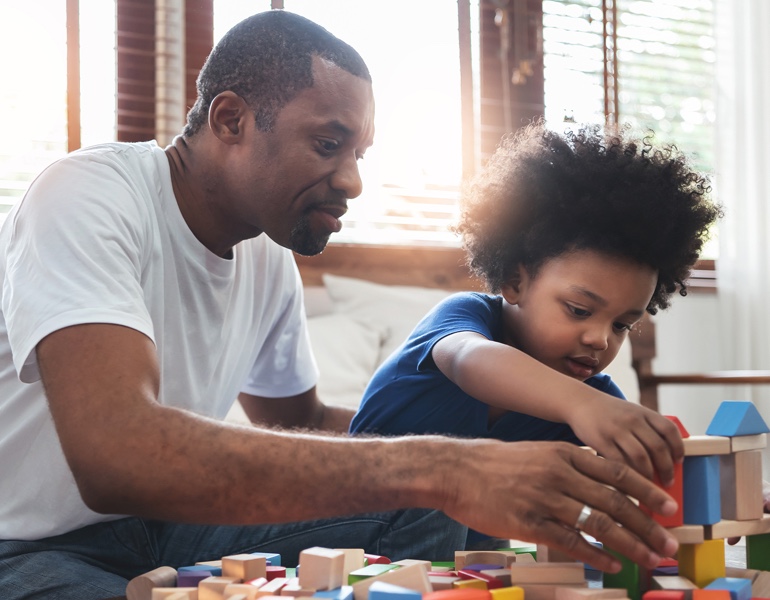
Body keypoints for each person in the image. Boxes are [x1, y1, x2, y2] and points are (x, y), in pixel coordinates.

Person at [0, 11, 680, 600]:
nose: (352, 179)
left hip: (164, 528)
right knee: (429, 480)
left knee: (418, 509)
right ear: (231, 119)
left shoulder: (266, 258)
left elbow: (302, 424)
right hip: (25, 548)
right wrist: (449, 465)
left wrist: (471, 452)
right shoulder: (90, 196)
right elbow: (118, 457)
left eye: (359, 153)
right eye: (329, 144)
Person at [350, 122, 721, 548]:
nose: (601, 339)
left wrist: (721, 500)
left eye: (622, 325)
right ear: (514, 281)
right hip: (351, 523)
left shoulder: (591, 399)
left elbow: (654, 474)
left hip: (468, 575)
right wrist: (582, 406)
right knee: (437, 496)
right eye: (579, 310)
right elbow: (470, 360)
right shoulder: (467, 319)